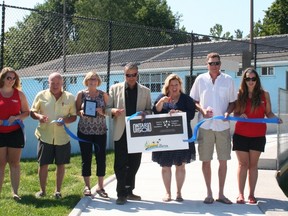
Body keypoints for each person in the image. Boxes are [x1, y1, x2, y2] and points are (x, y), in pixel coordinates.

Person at [190, 52, 237, 204]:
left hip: (222, 126)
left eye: (217, 63)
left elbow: (232, 102)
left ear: (220, 64)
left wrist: (227, 112)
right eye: (211, 63)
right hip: (205, 126)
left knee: (223, 161)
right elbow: (194, 100)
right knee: (206, 161)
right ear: (207, 64)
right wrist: (202, 110)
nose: (214, 66)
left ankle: (221, 194)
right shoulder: (200, 79)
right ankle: (209, 193)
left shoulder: (228, 80)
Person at [232, 67, 282, 204]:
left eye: (253, 78)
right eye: (248, 78)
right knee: (243, 164)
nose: (251, 81)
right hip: (241, 134)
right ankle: (240, 194)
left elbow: (269, 113)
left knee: (253, 165)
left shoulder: (264, 94)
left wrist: (275, 118)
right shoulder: (239, 95)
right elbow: (235, 113)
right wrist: (239, 115)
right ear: (244, 80)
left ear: (257, 80)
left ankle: (251, 195)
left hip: (258, 135)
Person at [106, 62, 152, 205]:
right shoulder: (114, 89)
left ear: (138, 74)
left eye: (134, 75)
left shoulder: (146, 91)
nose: (131, 78)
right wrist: (113, 111)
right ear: (124, 75)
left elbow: (150, 110)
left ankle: (129, 190)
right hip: (121, 131)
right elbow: (106, 109)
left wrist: (145, 113)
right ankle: (121, 193)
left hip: (137, 133)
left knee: (135, 163)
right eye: (128, 75)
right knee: (120, 163)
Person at [30, 72, 77, 199]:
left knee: (60, 164)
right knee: (43, 164)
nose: (55, 85)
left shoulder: (70, 97)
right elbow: (32, 112)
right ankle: (42, 191)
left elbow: (73, 116)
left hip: (62, 137)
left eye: (58, 83)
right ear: (48, 82)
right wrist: (39, 116)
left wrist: (65, 121)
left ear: (62, 83)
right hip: (45, 135)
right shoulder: (41, 95)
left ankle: (57, 191)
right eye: (52, 83)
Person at [152, 74, 196, 202]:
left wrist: (179, 113)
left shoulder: (186, 99)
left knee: (180, 165)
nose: (174, 87)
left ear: (180, 86)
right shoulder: (162, 97)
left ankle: (179, 193)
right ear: (168, 86)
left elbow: (191, 114)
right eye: (171, 85)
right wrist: (161, 102)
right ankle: (167, 193)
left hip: (182, 136)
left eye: (176, 85)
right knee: (165, 166)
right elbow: (156, 111)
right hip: (165, 137)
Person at [75, 71, 109, 197]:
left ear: (98, 81)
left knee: (101, 158)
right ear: (86, 81)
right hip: (84, 131)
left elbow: (109, 111)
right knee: (86, 158)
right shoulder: (81, 94)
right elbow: (76, 110)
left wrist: (103, 111)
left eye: (95, 79)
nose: (92, 81)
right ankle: (87, 186)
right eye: (90, 79)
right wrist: (81, 112)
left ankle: (101, 187)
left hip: (100, 131)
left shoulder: (103, 95)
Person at [0, 67, 29, 201]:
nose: (11, 81)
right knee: (1, 163)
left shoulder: (19, 94)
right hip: (1, 133)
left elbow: (26, 113)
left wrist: (16, 118)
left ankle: (15, 192)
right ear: (3, 78)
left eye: (13, 78)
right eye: (8, 78)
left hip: (15, 133)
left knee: (14, 163)